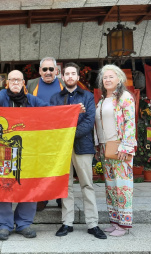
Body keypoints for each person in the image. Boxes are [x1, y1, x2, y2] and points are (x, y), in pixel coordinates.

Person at [0, 70, 48, 241]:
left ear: (23, 82)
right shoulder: (2, 97)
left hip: (28, 152)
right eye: (11, 79)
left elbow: (51, 112)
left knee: (29, 186)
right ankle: (4, 226)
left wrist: (72, 111)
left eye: (18, 80)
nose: (14, 82)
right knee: (3, 186)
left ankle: (24, 224)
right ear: (7, 83)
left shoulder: (32, 101)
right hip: (3, 153)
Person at [50, 63, 107, 239]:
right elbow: (54, 122)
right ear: (62, 76)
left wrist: (68, 132)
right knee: (65, 186)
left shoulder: (87, 96)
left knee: (87, 184)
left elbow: (89, 121)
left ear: (77, 76)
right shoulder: (56, 98)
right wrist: (67, 128)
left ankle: (92, 223)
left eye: (73, 73)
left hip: (83, 145)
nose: (70, 76)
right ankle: (67, 223)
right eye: (67, 74)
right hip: (63, 149)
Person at [95, 64, 136, 237]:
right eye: (105, 77)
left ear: (119, 79)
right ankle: (115, 221)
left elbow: (130, 122)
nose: (108, 79)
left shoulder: (125, 97)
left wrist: (126, 146)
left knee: (122, 186)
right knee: (111, 186)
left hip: (120, 147)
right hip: (106, 147)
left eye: (111, 76)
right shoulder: (103, 100)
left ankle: (124, 225)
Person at [26, 57, 65, 211]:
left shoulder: (64, 83)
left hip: (59, 133)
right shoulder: (31, 84)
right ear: (40, 71)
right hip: (38, 134)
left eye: (51, 69)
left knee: (60, 166)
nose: (48, 72)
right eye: (44, 69)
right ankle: (42, 198)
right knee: (40, 167)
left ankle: (61, 198)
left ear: (57, 70)